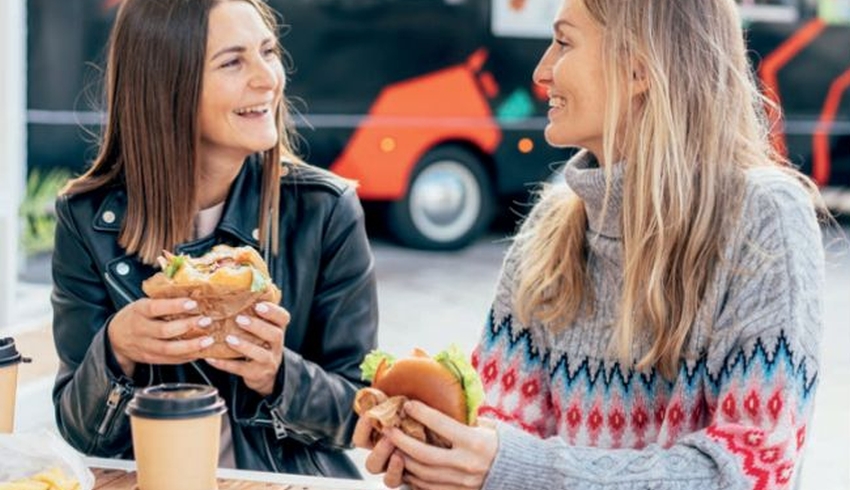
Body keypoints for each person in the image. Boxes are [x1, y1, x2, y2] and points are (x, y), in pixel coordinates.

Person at [354, 0, 828, 488]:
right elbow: (501, 431)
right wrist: (436, 455)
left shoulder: (765, 216)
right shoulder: (552, 223)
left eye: (563, 43)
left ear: (639, 67)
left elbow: (750, 472)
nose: (542, 72)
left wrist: (507, 467)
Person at [51, 0, 377, 477]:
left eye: (268, 51)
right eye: (233, 61)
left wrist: (278, 374)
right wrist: (116, 350)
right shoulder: (86, 220)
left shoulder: (325, 210)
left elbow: (362, 413)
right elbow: (79, 433)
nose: (268, 78)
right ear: (166, 87)